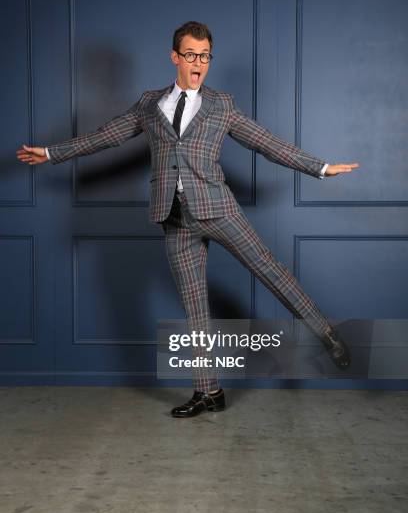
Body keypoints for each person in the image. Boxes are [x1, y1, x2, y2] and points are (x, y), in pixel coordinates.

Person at [16, 20, 359, 418]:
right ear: (175, 57)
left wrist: (321, 167)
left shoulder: (221, 105)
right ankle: (208, 391)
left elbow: (267, 143)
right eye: (192, 55)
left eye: (206, 56)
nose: (199, 63)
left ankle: (327, 333)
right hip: (173, 218)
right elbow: (106, 135)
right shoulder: (149, 104)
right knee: (196, 308)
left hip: (218, 209)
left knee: (271, 271)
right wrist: (53, 153)